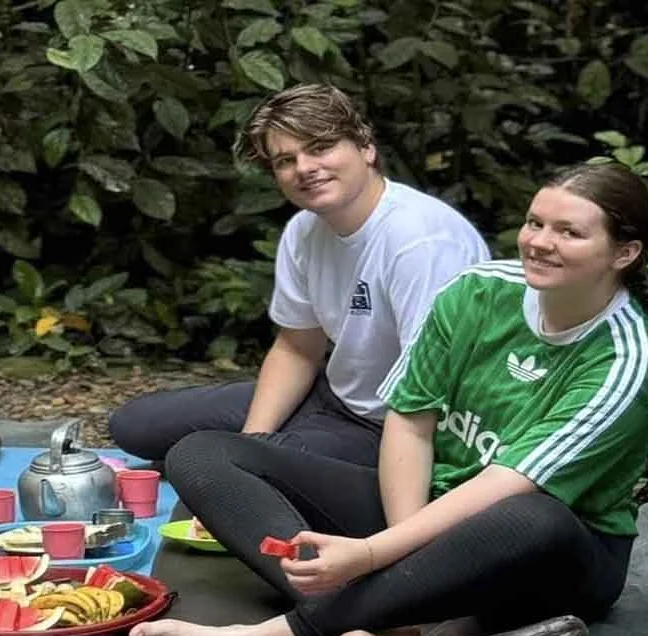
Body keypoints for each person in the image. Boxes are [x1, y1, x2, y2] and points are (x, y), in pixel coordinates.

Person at [127, 161, 648, 636]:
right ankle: (397, 610)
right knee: (202, 452)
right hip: (425, 512)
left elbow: (509, 484)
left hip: (545, 555)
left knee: (536, 516)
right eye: (535, 223)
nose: (540, 243)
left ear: (624, 253)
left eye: (569, 233)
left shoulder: (627, 358)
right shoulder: (478, 291)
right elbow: (410, 422)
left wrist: (369, 555)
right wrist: (396, 552)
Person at [109, 83, 490, 470]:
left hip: (399, 427)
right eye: (285, 160)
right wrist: (254, 441)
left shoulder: (421, 239)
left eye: (320, 147)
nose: (305, 168)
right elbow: (297, 347)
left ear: (366, 148)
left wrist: (246, 463)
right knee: (135, 424)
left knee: (211, 473)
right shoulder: (305, 229)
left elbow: (429, 394)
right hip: (334, 398)